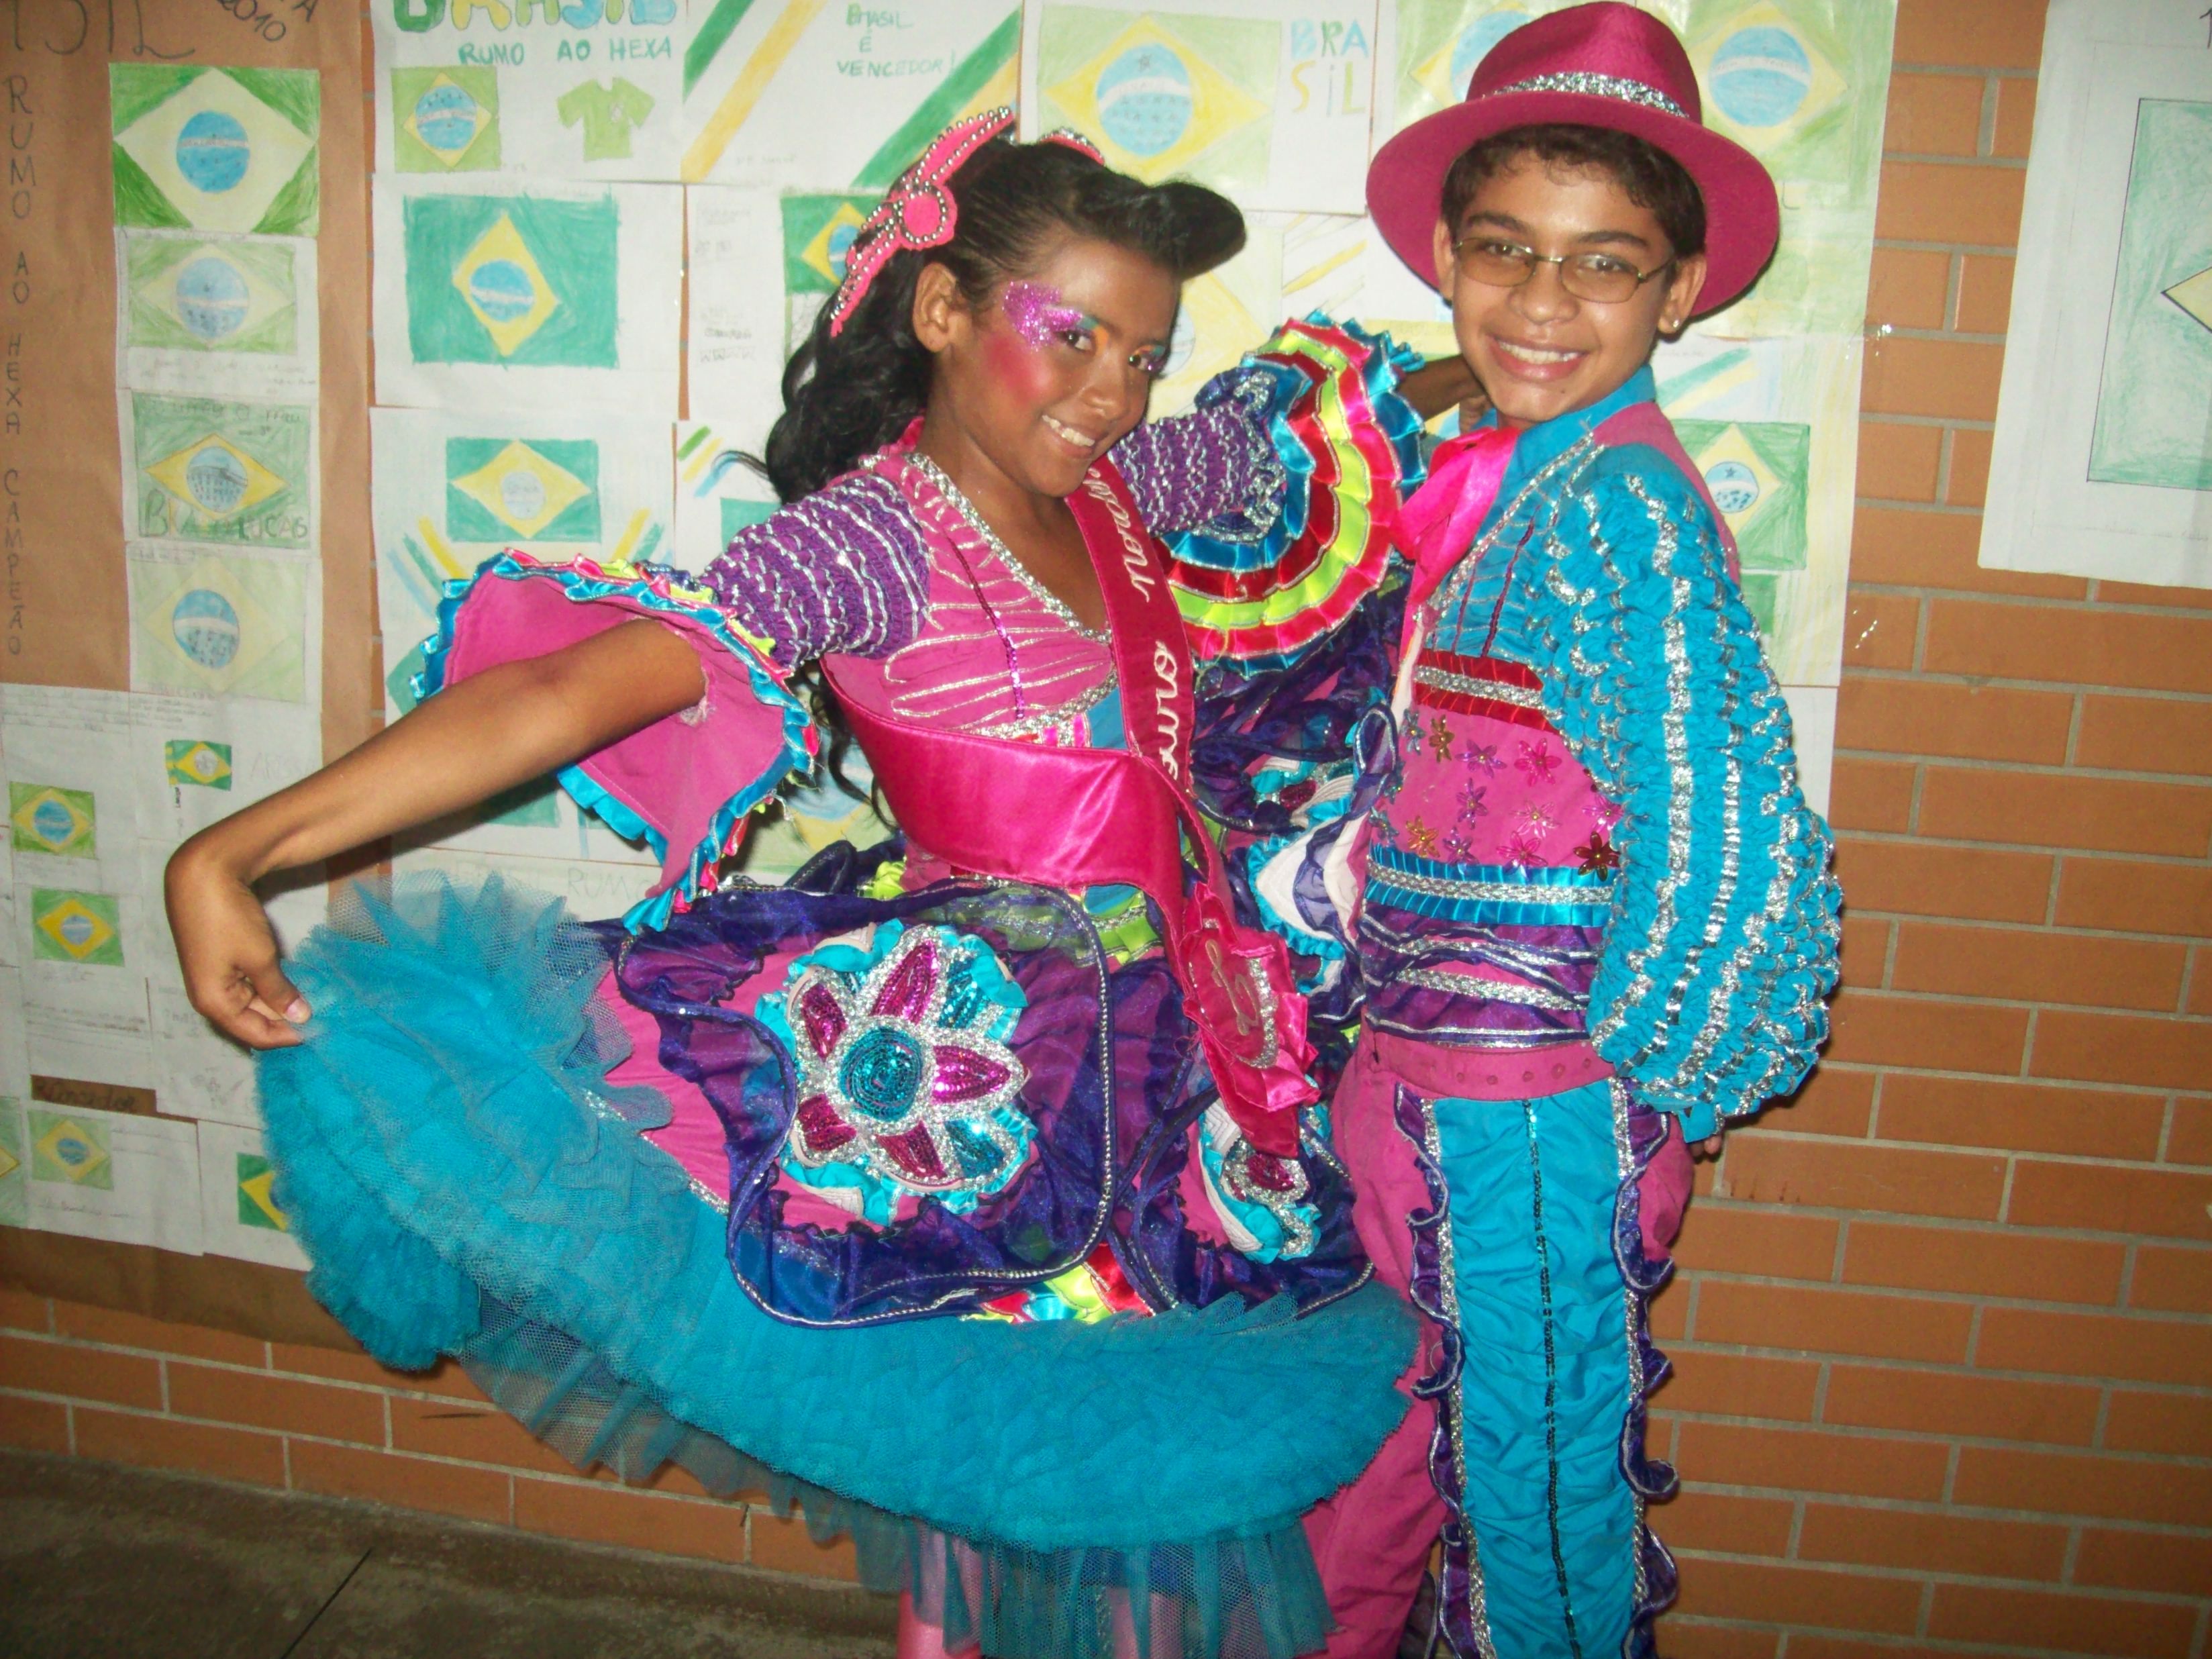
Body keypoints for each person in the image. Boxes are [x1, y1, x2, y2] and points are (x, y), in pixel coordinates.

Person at [166, 113, 1462, 1659]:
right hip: (984, 1078)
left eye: (1143, 354)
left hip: (1186, 1069)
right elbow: (564, 695)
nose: (1113, 390)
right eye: (1071, 337)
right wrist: (233, 851)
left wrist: (1529, 365)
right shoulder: (867, 540)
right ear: (943, 309)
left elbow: (1345, 430)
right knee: (1001, 1461)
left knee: (1146, 1478)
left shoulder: (1125, 483)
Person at [1295, 9, 1844, 1657]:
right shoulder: (1520, 472)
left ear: (1680, 289)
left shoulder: (1618, 501)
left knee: (1530, 1511)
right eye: (1504, 250)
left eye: (1603, 265)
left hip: (1525, 1118)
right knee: (1389, 1471)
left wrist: (1622, 1077)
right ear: (1446, 259)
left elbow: (1726, 832)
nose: (1542, 301)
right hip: (1429, 1092)